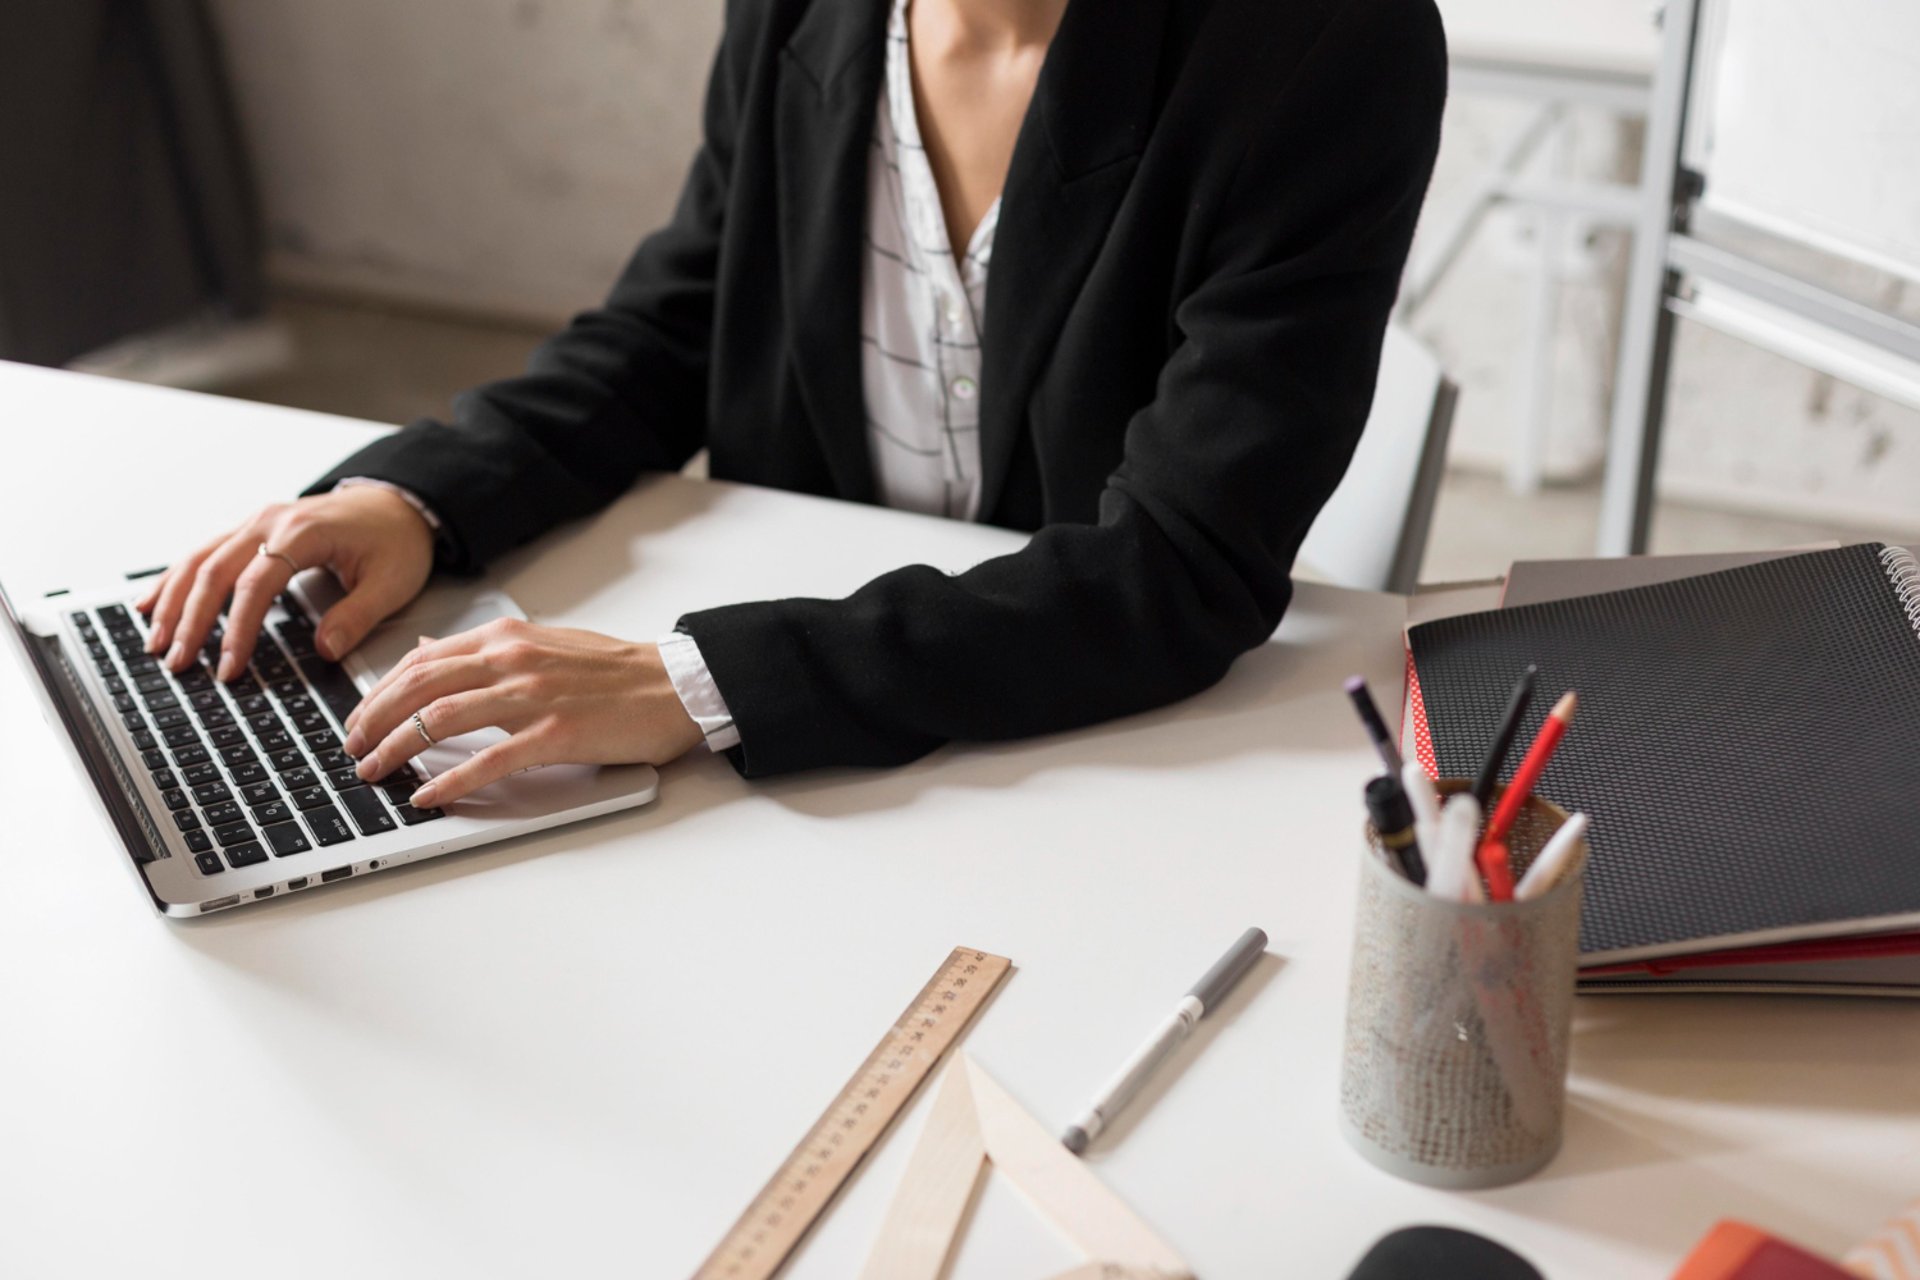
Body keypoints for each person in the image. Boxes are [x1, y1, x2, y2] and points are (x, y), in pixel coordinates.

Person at [137, 0, 1447, 806]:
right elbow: (683, 319)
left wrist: (698, 683)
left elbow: (1182, 569)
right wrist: (421, 494)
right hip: (821, 755)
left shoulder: (1330, 40)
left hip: (1077, 751)